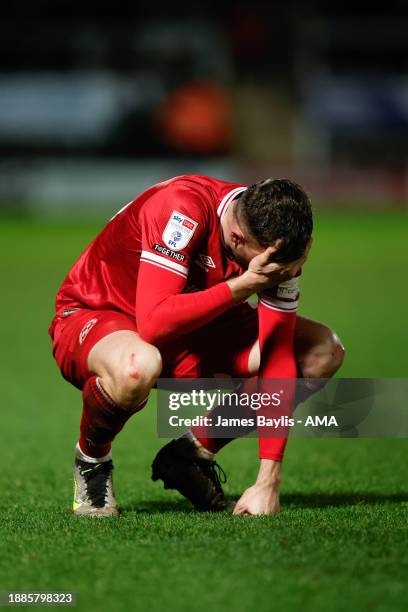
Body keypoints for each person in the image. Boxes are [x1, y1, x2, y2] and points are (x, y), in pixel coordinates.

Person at [49, 175, 344, 517]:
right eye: (270, 267)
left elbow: (277, 356)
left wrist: (268, 481)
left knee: (321, 351)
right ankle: (92, 460)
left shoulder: (276, 247)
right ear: (237, 237)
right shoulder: (182, 208)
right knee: (137, 366)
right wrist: (245, 285)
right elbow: (155, 322)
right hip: (102, 314)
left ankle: (192, 454)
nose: (281, 272)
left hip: (198, 324)